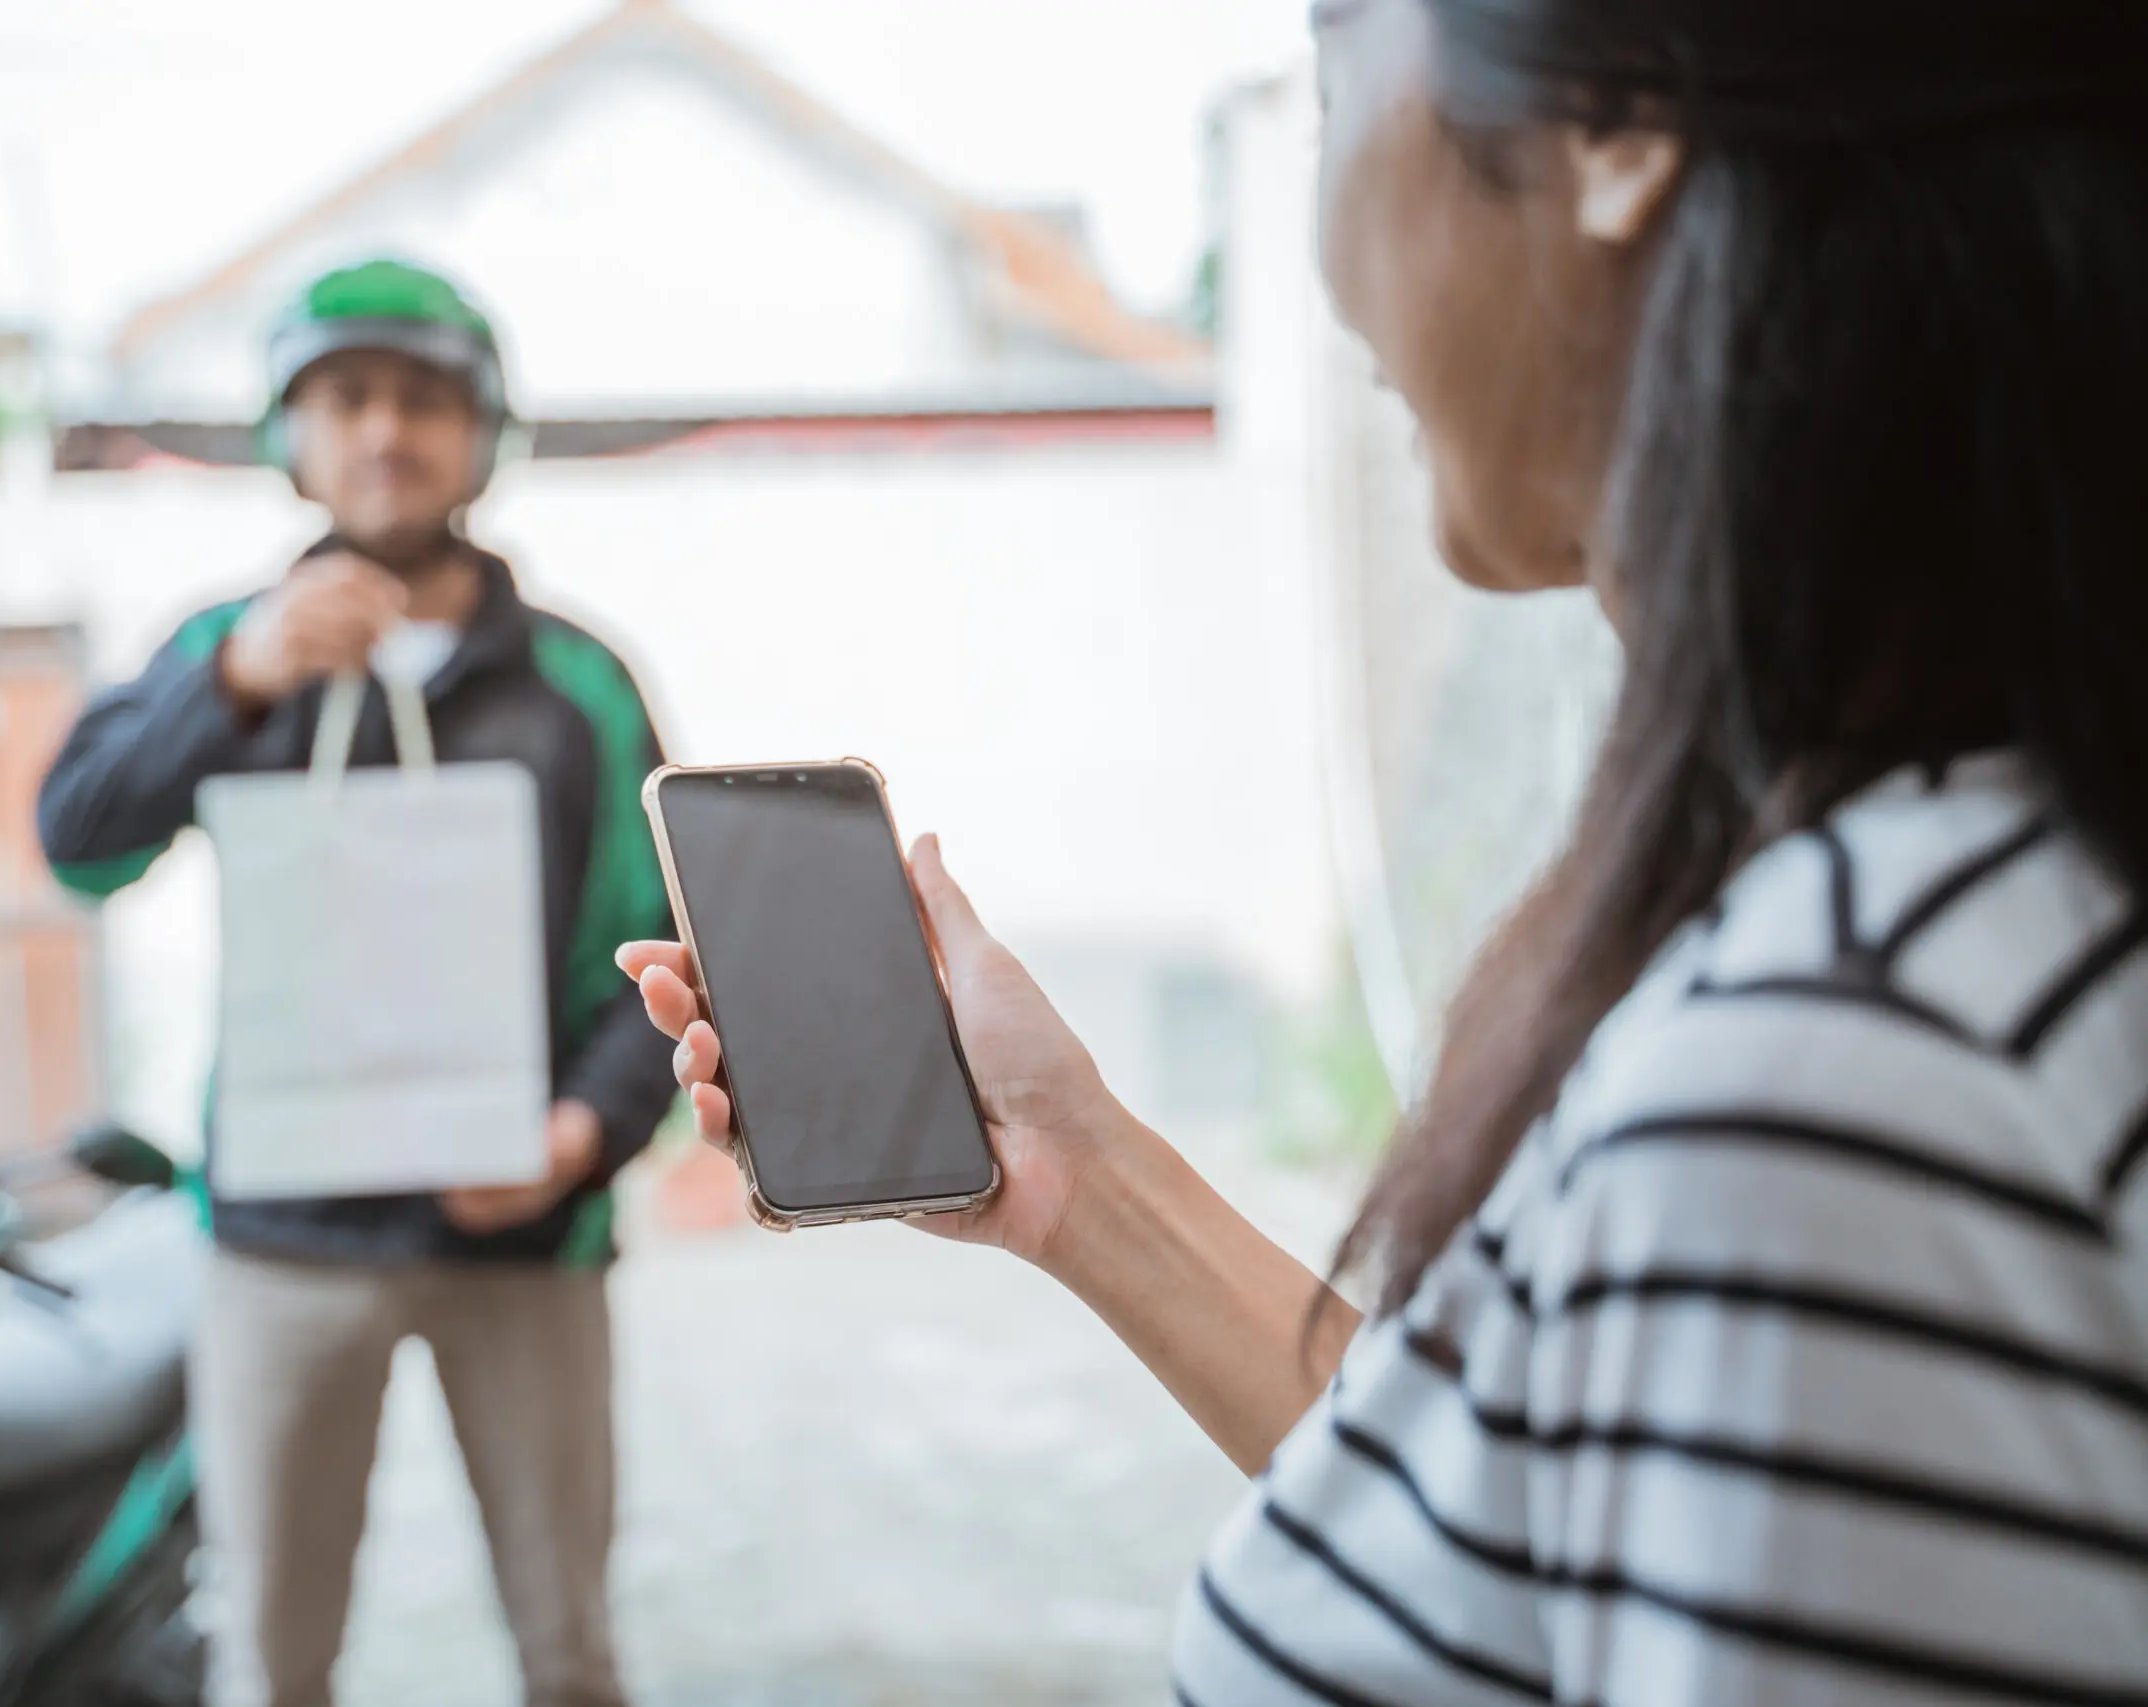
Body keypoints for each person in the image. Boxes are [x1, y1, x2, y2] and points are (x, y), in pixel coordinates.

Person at [624, 1, 2148, 1700]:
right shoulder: (1974, 905)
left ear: (1620, 124)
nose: (1321, 224)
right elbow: (1519, 1529)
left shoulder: (1826, 1083)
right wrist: (1077, 1178)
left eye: (1341, 47)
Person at [37, 259, 675, 1707]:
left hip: (527, 1239)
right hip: (282, 1243)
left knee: (568, 1650)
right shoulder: (224, 651)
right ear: (292, 431)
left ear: (482, 431)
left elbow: (668, 955)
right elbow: (79, 844)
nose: (386, 430)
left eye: (423, 400)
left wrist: (581, 1137)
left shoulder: (580, 684)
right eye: (349, 397)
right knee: (272, 1654)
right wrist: (233, 688)